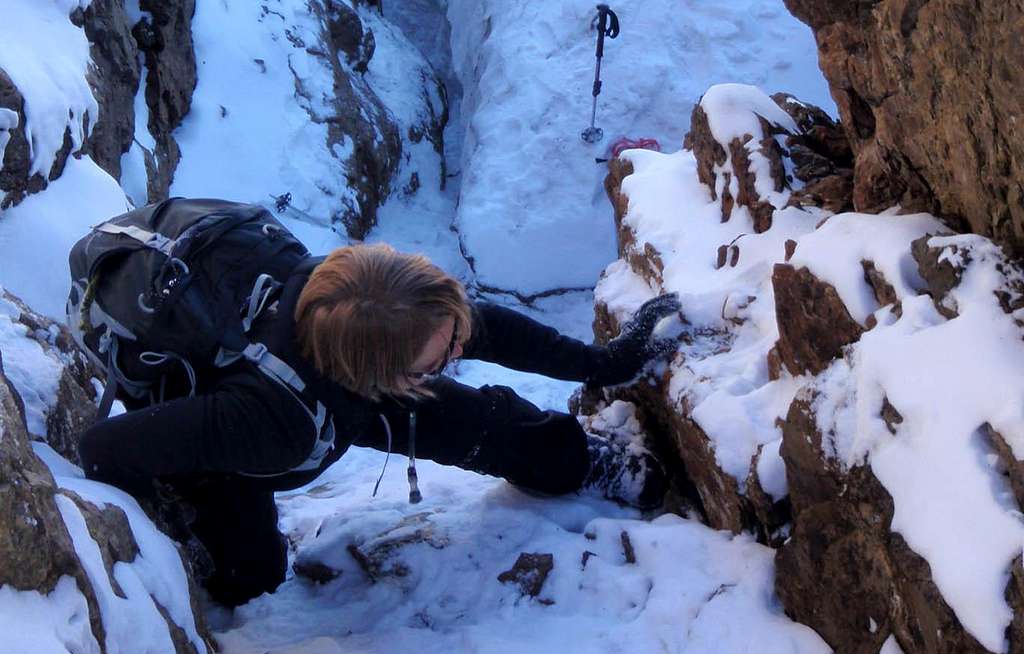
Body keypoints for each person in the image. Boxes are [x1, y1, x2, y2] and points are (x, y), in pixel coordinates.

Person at [78, 242, 679, 608]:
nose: (458, 351)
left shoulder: (371, 305)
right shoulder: (263, 422)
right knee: (253, 575)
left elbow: (478, 327)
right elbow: (102, 448)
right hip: (226, 440)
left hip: (304, 386)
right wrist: (158, 524)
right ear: (379, 374)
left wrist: (604, 364)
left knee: (478, 418)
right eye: (441, 356)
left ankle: (574, 460)